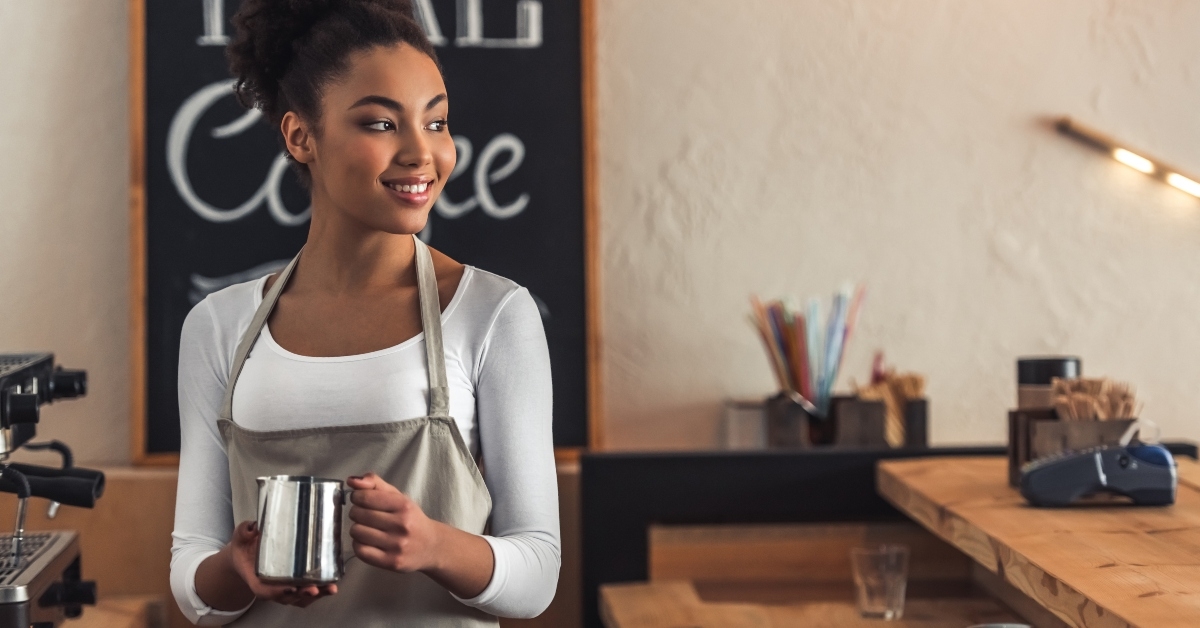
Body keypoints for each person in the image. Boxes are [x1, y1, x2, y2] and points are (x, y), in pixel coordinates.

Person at [168, 1, 560, 625]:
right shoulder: (218, 327)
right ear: (301, 136)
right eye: (381, 124)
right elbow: (193, 579)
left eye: (436, 123)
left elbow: (536, 575)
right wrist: (233, 571)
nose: (421, 154)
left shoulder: (493, 313)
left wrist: (435, 545)